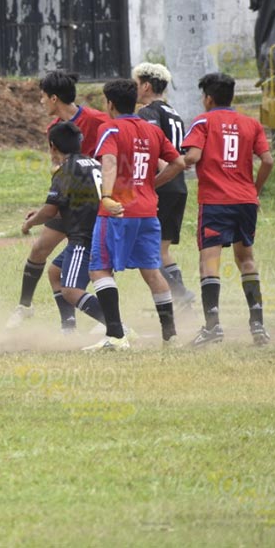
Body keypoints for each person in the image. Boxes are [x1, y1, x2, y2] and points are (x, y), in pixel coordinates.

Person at [86, 79, 186, 351]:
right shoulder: (151, 130)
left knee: (99, 268)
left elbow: (109, 161)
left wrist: (106, 196)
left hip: (117, 211)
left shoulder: (110, 128)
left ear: (111, 104)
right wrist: (152, 185)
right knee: (152, 272)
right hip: (148, 212)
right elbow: (178, 163)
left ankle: (116, 336)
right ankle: (171, 335)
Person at [8, 70, 110, 333]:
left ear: (54, 98)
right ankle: (27, 307)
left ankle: (109, 318)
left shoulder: (98, 120)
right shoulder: (54, 129)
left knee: (90, 260)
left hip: (96, 202)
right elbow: (57, 168)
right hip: (70, 200)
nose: (40, 102)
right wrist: (50, 205)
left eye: (42, 97)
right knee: (40, 248)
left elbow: (113, 157)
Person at [182, 73, 274, 347]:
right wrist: (254, 190)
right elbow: (267, 160)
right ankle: (257, 325)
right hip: (245, 201)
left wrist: (178, 162)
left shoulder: (203, 121)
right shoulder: (251, 123)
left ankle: (213, 327)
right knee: (246, 259)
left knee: (209, 261)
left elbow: (193, 156)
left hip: (215, 201)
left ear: (208, 98)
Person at [21, 122, 110, 333]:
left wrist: (30, 223)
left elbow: (50, 212)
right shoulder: (94, 164)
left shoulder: (66, 171)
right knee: (55, 272)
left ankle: (116, 325)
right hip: (103, 230)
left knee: (71, 289)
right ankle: (68, 327)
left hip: (85, 236)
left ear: (53, 146)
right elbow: (77, 201)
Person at [134, 62, 196, 308]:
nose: (135, 89)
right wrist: (176, 167)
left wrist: (160, 173)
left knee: (145, 247)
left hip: (162, 184)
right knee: (163, 251)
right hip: (179, 186)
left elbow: (152, 145)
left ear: (146, 86)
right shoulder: (173, 112)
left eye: (136, 84)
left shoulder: (148, 112)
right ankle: (183, 304)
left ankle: (180, 293)